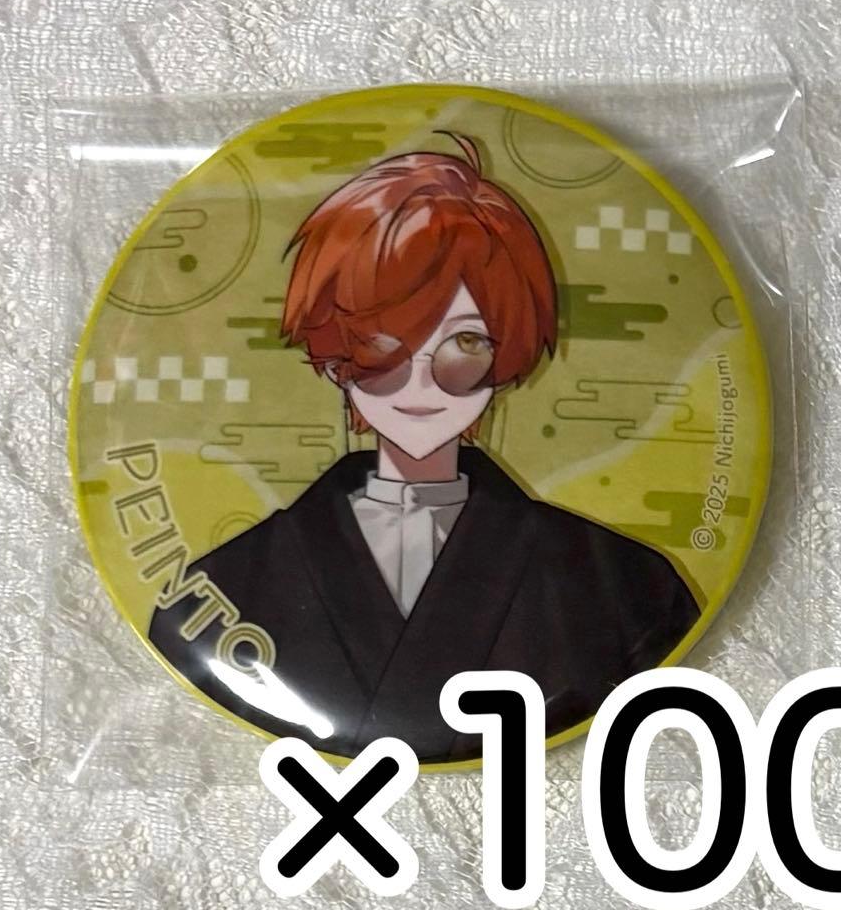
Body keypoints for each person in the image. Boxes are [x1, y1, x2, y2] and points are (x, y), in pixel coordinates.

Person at [149, 134, 700, 763]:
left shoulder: (625, 587)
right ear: (334, 354)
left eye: (464, 345)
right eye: (382, 345)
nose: (421, 383)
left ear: (507, 352)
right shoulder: (217, 595)